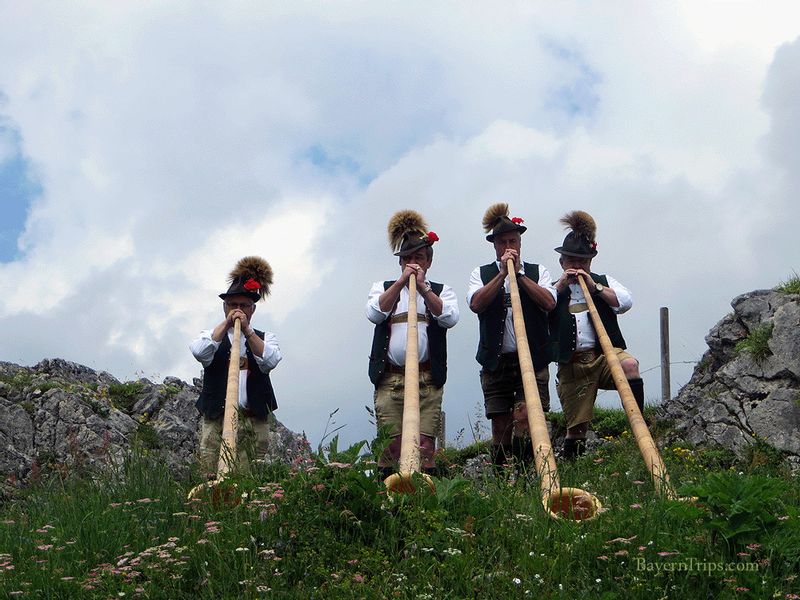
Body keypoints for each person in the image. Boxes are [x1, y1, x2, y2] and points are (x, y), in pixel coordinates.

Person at [367, 210, 459, 478]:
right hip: (391, 379)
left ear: (428, 261)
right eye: (407, 258)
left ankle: (426, 495)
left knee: (425, 444)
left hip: (427, 378)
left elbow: (450, 318)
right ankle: (389, 495)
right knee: (390, 445)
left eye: (418, 258)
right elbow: (374, 313)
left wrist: (423, 288)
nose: (412, 263)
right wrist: (399, 284)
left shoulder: (441, 290)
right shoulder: (383, 287)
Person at [468, 203, 557, 469]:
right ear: (494, 245)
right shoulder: (480, 274)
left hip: (532, 357)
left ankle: (527, 474)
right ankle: (502, 480)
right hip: (497, 361)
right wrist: (501, 275)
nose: (509, 246)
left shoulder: (537, 271)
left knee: (526, 416)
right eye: (503, 242)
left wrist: (518, 275)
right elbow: (476, 304)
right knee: (500, 425)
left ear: (520, 243)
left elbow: (549, 302)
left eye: (513, 241)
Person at [549, 211, 643, 459]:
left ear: (591, 263)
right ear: (562, 262)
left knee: (630, 365)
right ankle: (573, 470)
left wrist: (596, 287)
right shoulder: (551, 289)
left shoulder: (602, 281)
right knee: (577, 428)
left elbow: (625, 302)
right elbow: (539, 309)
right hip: (573, 363)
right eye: (572, 261)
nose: (577, 267)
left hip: (605, 355)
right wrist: (559, 287)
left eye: (583, 262)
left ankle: (640, 428)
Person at [190, 256, 282, 474]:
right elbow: (199, 351)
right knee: (211, 471)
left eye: (244, 305)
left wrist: (248, 331)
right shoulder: (211, 336)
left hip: (253, 420)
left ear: (253, 309)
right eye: (232, 305)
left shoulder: (265, 337)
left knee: (252, 474)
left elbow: (270, 361)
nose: (238, 310)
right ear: (224, 307)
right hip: (217, 420)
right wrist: (227, 323)